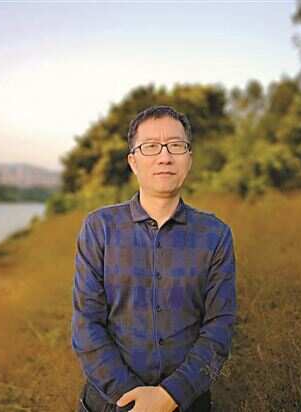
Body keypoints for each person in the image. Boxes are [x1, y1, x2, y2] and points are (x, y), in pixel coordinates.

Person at [72, 105, 237, 412]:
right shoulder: (99, 228)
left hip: (187, 404)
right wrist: (130, 397)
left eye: (176, 145)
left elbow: (220, 327)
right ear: (133, 161)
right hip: (109, 404)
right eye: (150, 147)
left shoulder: (215, 234)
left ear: (189, 158)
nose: (164, 157)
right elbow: (86, 324)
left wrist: (170, 395)